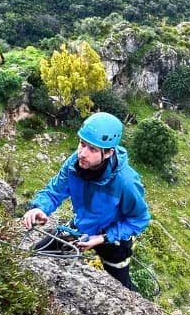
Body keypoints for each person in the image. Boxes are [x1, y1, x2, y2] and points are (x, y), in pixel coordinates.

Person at [20, 112, 151, 292]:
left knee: (122, 288)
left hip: (113, 239)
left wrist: (103, 238)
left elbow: (140, 219)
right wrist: (40, 209)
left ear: (109, 152)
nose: (82, 153)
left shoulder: (125, 182)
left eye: (93, 149)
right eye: (82, 144)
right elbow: (54, 192)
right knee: (37, 254)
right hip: (83, 226)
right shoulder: (75, 163)